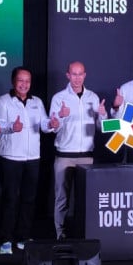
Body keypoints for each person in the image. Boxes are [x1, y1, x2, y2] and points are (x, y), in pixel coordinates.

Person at [0, 66, 57, 255]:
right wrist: (12, 127)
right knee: (10, 199)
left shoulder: (36, 102)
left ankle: (23, 236)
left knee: (29, 199)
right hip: (10, 157)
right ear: (13, 81)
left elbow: (44, 124)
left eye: (27, 81)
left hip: (33, 157)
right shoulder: (4, 101)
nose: (24, 84)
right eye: (20, 80)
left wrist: (52, 124)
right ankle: (6, 239)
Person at [43, 61, 106, 240]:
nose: (77, 78)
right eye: (74, 74)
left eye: (80, 74)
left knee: (85, 197)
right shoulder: (59, 98)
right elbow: (53, 127)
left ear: (85, 75)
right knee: (61, 197)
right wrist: (60, 116)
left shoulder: (93, 97)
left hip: (87, 156)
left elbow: (102, 127)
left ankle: (83, 232)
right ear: (68, 75)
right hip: (64, 156)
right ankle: (60, 233)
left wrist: (102, 114)